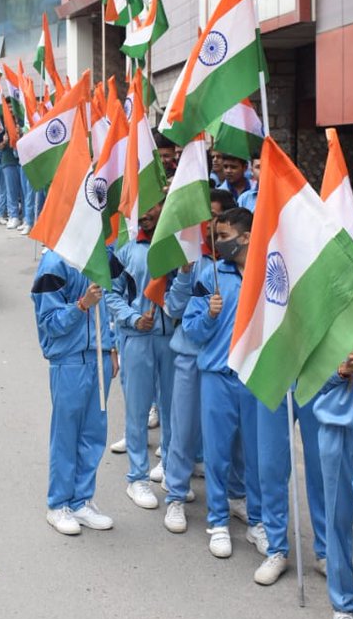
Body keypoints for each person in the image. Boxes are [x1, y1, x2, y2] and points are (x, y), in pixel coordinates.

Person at [183, 207, 278, 564]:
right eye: (216, 237)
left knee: (256, 455)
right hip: (217, 377)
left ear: (247, 237)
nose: (218, 243)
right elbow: (191, 331)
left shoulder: (270, 273)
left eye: (223, 237)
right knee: (218, 455)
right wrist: (208, 314)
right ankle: (218, 522)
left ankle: (258, 522)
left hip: (255, 377)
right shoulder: (211, 275)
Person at [161, 190, 254, 537]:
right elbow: (175, 308)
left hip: (233, 367)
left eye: (219, 226)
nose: (212, 234)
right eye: (210, 226)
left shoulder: (245, 267)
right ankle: (175, 494)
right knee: (184, 430)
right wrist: (185, 273)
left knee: (235, 441)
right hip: (191, 356)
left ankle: (236, 495)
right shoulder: (196, 261)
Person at [31, 247, 116, 536]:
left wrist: (112, 347)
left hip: (100, 357)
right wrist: (81, 305)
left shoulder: (99, 254)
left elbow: (111, 307)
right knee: (66, 434)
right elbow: (49, 324)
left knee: (94, 434)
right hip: (69, 360)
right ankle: (58, 505)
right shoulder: (54, 262)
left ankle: (81, 501)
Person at [107, 203, 177, 512]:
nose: (146, 213)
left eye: (153, 207)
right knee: (137, 410)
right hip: (137, 338)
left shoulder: (179, 246)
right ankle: (137, 477)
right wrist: (133, 318)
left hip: (172, 339)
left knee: (174, 409)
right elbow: (110, 292)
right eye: (142, 207)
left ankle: (174, 473)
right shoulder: (125, 247)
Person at [316, 343, 353, 619]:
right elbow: (305, 381)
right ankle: (343, 606)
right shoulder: (326, 307)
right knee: (337, 518)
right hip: (336, 426)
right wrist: (340, 371)